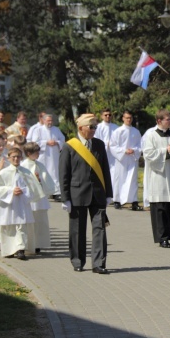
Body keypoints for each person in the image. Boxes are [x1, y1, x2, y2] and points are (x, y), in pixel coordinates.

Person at [59, 113, 113, 274]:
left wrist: (108, 193)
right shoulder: (69, 146)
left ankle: (98, 263)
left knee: (100, 230)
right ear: (81, 128)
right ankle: (77, 261)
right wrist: (65, 198)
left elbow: (105, 170)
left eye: (95, 127)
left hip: (97, 194)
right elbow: (64, 174)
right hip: (77, 194)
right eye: (91, 127)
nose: (94, 130)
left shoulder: (99, 144)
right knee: (77, 230)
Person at [142, 109, 170, 248]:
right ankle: (162, 237)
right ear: (159, 121)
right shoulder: (151, 136)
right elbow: (148, 154)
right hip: (158, 175)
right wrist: (166, 151)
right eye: (168, 119)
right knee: (160, 207)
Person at [0, 147, 44, 260]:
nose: (16, 159)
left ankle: (20, 249)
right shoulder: (3, 173)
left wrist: (23, 190)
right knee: (8, 227)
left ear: (21, 158)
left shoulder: (26, 172)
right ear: (9, 158)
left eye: (18, 157)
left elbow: (33, 189)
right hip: (8, 205)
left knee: (22, 226)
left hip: (22, 203)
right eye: (13, 157)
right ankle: (9, 250)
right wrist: (11, 191)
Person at [21, 142, 56, 253]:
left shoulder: (40, 165)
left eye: (38, 151)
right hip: (30, 199)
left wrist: (40, 179)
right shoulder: (23, 165)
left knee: (40, 222)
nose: (38, 154)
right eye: (36, 152)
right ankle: (28, 244)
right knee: (29, 223)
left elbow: (46, 179)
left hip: (40, 199)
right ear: (28, 153)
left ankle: (38, 243)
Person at [109, 111, 142, 210]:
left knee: (133, 179)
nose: (129, 120)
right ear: (123, 118)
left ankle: (134, 201)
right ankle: (117, 200)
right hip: (121, 159)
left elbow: (140, 145)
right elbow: (113, 145)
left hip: (132, 159)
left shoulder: (136, 132)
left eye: (130, 118)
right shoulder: (118, 131)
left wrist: (134, 150)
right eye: (127, 118)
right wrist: (123, 151)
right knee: (119, 179)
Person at [29, 114, 65, 201]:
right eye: (48, 120)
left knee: (55, 172)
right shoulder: (38, 130)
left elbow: (62, 139)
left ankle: (56, 193)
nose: (50, 122)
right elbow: (34, 142)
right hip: (43, 155)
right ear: (44, 120)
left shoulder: (56, 129)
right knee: (44, 173)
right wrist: (46, 142)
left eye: (51, 120)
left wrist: (57, 142)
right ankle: (44, 192)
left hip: (54, 155)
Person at [94, 108, 118, 200]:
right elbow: (96, 139)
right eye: (106, 115)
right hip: (103, 153)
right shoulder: (98, 127)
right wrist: (106, 143)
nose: (108, 116)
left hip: (113, 155)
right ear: (101, 116)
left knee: (114, 174)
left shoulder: (116, 127)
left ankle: (114, 196)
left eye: (109, 115)